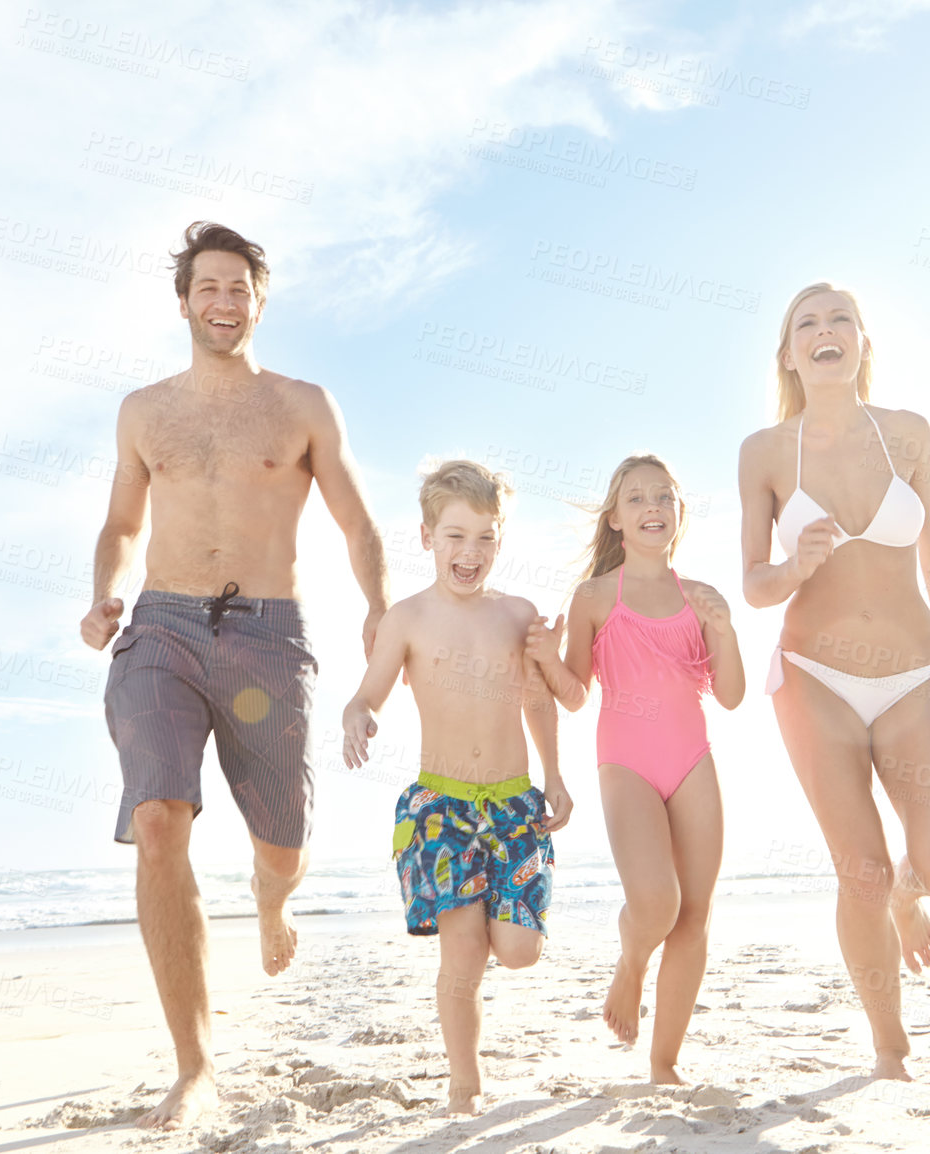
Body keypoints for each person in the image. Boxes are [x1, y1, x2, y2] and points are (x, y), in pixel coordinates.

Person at [78, 221, 388, 1128]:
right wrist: (105, 595)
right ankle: (195, 1066)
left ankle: (271, 900)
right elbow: (122, 525)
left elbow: (357, 522)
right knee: (158, 818)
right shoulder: (144, 411)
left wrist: (379, 604)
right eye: (208, 287)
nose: (224, 302)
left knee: (283, 847)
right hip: (162, 629)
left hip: (267, 638)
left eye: (239, 289)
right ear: (183, 302)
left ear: (260, 302)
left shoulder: (303, 406)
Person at [738, 282, 930, 1082]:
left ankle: (906, 897)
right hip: (815, 680)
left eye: (840, 317)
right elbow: (753, 583)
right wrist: (793, 566)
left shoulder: (909, 435)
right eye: (806, 321)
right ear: (789, 354)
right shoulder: (767, 453)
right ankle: (889, 1046)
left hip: (914, 679)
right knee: (861, 869)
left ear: (863, 342)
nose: (825, 330)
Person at [340, 460, 573, 1115]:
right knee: (463, 951)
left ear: (501, 541)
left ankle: (495, 936)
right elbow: (370, 692)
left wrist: (554, 774)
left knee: (520, 952)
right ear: (426, 538)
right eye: (455, 536)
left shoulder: (518, 614)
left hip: (513, 802)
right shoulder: (407, 620)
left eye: (485, 538)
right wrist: (358, 715)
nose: (470, 553)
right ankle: (464, 1089)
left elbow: (540, 701)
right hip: (439, 807)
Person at [525, 454, 745, 1084]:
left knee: (695, 914)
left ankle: (663, 1063)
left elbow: (729, 695)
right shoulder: (595, 596)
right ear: (617, 520)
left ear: (678, 513)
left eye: (664, 497)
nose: (652, 507)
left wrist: (725, 629)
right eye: (637, 499)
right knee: (656, 905)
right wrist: (544, 654)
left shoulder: (699, 598)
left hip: (693, 761)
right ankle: (630, 966)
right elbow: (574, 694)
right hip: (625, 762)